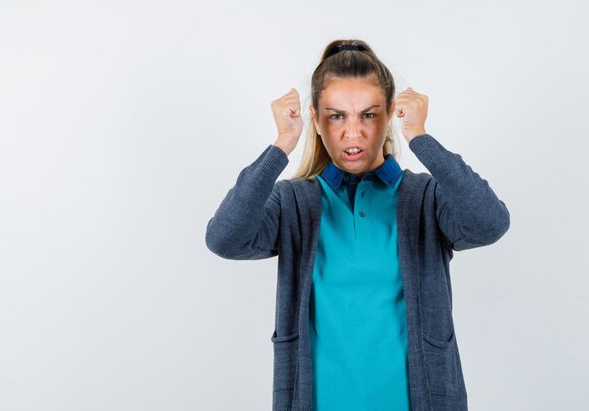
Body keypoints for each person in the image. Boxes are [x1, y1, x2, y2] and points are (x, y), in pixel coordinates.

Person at [205, 39, 510, 411]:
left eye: (368, 115)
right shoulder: (293, 203)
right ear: (315, 119)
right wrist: (282, 146)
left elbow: (489, 223)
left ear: (389, 116)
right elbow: (224, 238)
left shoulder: (425, 197)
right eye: (336, 116)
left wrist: (421, 138)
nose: (354, 133)